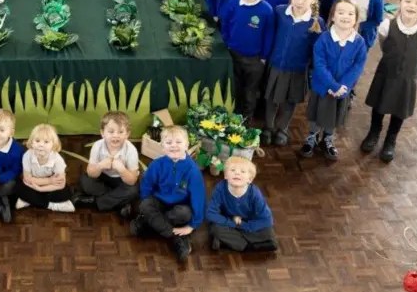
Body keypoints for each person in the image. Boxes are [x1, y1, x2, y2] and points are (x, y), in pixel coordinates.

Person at [362, 0, 417, 162]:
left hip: (408, 77)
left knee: (400, 108)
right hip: (387, 73)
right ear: (400, 3)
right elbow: (383, 44)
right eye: (408, 1)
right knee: (379, 104)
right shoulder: (387, 25)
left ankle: (391, 139)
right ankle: (374, 132)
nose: (412, 5)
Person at [299, 0, 368, 161]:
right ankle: (312, 136)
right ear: (333, 16)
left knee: (334, 116)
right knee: (317, 114)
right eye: (341, 12)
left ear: (356, 18)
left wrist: (343, 86)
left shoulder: (359, 42)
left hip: (342, 89)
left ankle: (328, 139)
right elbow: (319, 64)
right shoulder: (323, 38)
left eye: (350, 13)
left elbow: (358, 66)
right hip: (323, 87)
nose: (345, 16)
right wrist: (332, 85)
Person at [263, 0, 325, 146]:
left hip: (297, 69)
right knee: (271, 99)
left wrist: (312, 70)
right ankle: (268, 127)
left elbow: (316, 50)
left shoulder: (316, 22)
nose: (299, 1)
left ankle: (282, 129)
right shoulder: (279, 12)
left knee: (289, 102)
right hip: (276, 65)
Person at [130, 125, 204, 263]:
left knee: (185, 214)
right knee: (145, 205)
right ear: (162, 147)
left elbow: (198, 198)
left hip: (180, 206)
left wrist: (192, 225)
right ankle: (175, 237)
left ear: (186, 145)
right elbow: (147, 184)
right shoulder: (157, 164)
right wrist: (146, 201)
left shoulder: (192, 170)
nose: (173, 146)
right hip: (159, 201)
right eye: (169, 142)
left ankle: (148, 222)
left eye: (178, 142)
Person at [220, 0, 274, 119]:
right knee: (235, 87)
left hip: (255, 60)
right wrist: (227, 42)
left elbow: (269, 35)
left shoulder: (266, 10)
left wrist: (263, 56)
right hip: (234, 54)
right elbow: (225, 23)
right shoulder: (233, 3)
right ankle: (234, 116)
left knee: (250, 91)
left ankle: (247, 118)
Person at [206, 157, 278, 253]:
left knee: (268, 233)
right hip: (229, 221)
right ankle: (249, 246)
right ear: (225, 175)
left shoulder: (254, 193)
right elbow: (210, 213)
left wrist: (243, 226)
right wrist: (232, 223)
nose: (237, 173)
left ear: (250, 179)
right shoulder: (220, 189)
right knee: (215, 229)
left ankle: (229, 243)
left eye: (243, 171)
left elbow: (267, 219)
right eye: (232, 170)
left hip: (248, 222)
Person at [75, 111, 140, 218]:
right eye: (111, 131)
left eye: (120, 132)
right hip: (103, 177)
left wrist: (122, 170)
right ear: (102, 133)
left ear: (127, 134)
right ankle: (119, 202)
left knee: (133, 190)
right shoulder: (97, 146)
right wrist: (100, 166)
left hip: (121, 180)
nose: (115, 136)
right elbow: (91, 173)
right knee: (85, 180)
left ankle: (94, 202)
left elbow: (132, 180)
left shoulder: (131, 150)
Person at [15, 124, 75, 213]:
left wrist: (40, 189)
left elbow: (60, 184)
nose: (41, 145)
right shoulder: (27, 155)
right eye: (37, 141)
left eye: (46, 142)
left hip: (48, 187)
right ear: (32, 142)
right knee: (18, 188)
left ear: (53, 145)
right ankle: (52, 205)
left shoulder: (57, 159)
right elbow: (27, 179)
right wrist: (49, 180)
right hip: (35, 184)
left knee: (65, 193)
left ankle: (31, 201)